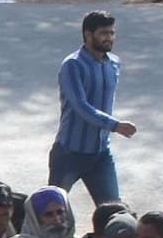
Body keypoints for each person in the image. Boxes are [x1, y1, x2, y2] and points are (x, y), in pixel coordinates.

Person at [50, 12, 132, 205]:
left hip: (101, 154)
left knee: (114, 213)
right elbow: (80, 106)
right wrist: (114, 125)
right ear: (88, 34)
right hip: (69, 153)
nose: (109, 38)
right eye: (104, 33)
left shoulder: (114, 63)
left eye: (112, 33)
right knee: (51, 210)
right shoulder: (73, 64)